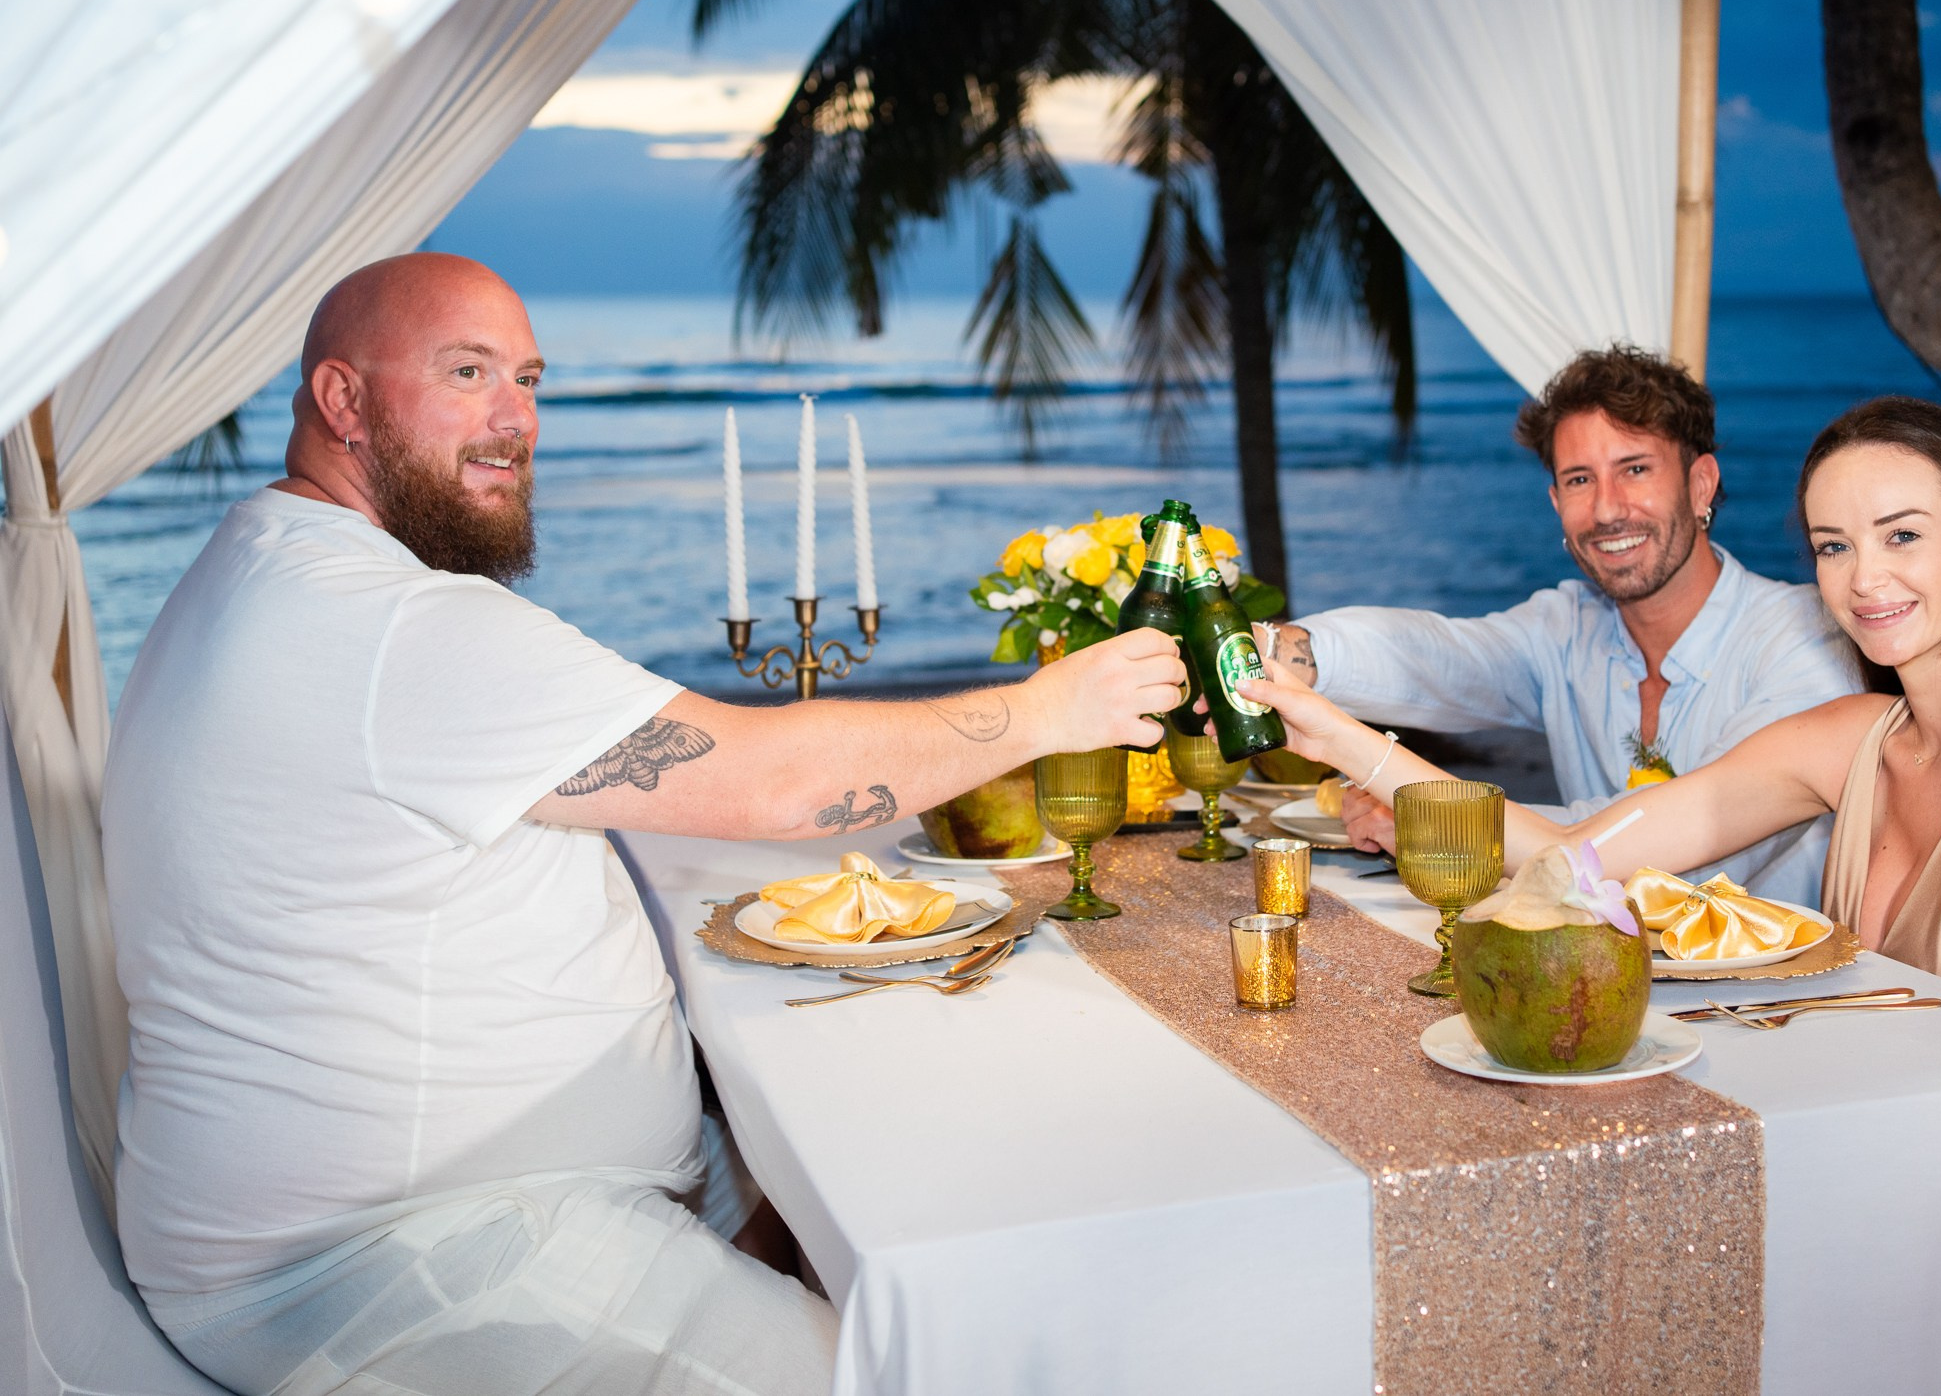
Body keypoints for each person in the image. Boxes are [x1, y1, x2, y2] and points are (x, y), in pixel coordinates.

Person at [102, 253, 1188, 1396]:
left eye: (527, 379)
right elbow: (778, 785)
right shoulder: (387, 625)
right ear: (343, 401)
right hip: (395, 1264)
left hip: (372, 1221)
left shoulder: (274, 562)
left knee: (869, 1179)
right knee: (924, 1361)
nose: (514, 419)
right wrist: (1051, 706)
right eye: (465, 373)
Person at [1244, 395, 1941, 1396]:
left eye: (1901, 535)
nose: (1862, 578)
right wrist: (1344, 742)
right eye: (1830, 545)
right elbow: (1574, 856)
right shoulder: (1849, 736)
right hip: (1909, 1176)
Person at [1269, 344, 1858, 906]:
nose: (1606, 509)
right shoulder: (1569, 627)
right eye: (1580, 479)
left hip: (1779, 1002)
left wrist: (1438, 819)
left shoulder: (1805, 638)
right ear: (1556, 502)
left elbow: (1679, 862)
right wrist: (1265, 649)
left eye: (1634, 469)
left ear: (1700, 483)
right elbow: (1433, 657)